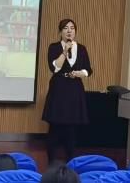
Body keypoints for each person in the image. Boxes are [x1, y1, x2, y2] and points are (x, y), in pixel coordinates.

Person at [41, 18, 92, 165]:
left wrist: (80, 73)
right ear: (60, 32)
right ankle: (51, 162)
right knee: (55, 127)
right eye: (66, 28)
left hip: (75, 89)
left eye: (72, 28)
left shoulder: (81, 48)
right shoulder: (54, 47)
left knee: (71, 129)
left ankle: (70, 162)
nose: (69, 31)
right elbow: (54, 68)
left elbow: (88, 70)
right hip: (59, 88)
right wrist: (64, 52)